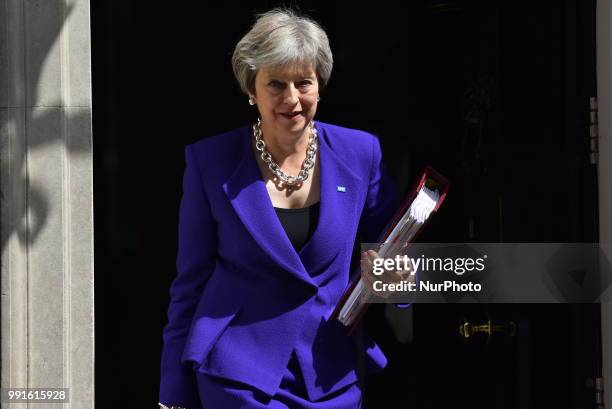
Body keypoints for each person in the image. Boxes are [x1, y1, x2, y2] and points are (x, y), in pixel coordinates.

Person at [158, 8, 406, 409]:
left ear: (320, 86)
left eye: (303, 83)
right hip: (238, 377)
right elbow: (189, 284)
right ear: (251, 90)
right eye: (276, 84)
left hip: (331, 375)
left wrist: (395, 281)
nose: (292, 99)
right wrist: (173, 393)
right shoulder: (211, 162)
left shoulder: (361, 153)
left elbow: (393, 248)